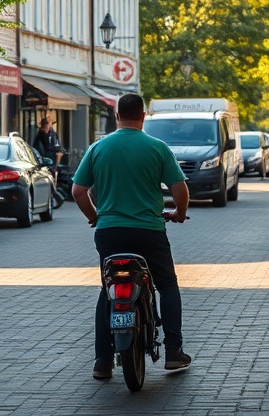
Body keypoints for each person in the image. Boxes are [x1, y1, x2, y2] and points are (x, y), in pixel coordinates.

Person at [71, 93, 192, 381]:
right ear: (143, 116)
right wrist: (179, 213)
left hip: (109, 233)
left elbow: (78, 191)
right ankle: (173, 351)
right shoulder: (157, 148)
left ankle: (102, 361)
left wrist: (95, 217)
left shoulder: (98, 148)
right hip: (149, 232)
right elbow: (180, 189)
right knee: (167, 285)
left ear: (116, 116)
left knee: (108, 289)